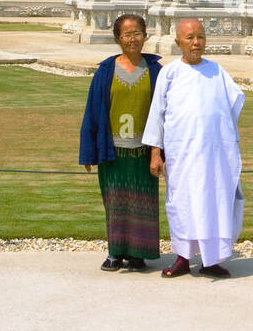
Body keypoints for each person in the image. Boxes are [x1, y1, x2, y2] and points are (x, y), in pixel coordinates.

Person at [142, 18, 244, 278]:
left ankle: (211, 259)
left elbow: (233, 104)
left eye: (200, 37)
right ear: (179, 42)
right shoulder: (170, 73)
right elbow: (157, 114)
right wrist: (156, 152)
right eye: (189, 38)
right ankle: (183, 258)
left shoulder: (217, 71)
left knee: (213, 202)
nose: (196, 43)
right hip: (182, 155)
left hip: (214, 156)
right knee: (183, 204)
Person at [79, 14, 162, 271]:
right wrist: (89, 153)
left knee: (143, 202)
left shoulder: (156, 71)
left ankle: (138, 254)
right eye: (127, 34)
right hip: (113, 150)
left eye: (137, 33)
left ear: (145, 36)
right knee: (115, 202)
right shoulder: (106, 71)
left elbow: (163, 114)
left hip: (143, 151)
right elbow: (93, 111)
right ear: (118, 38)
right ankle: (115, 252)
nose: (132, 38)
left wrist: (158, 153)